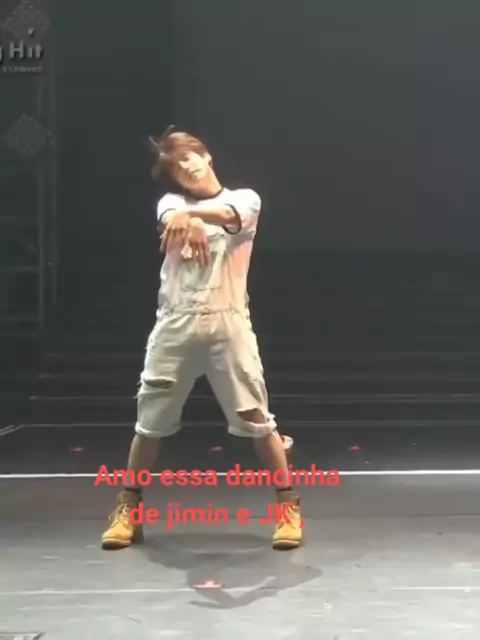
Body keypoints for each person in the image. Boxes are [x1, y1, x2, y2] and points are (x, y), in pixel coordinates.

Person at [101, 126, 302, 551]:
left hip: (228, 325)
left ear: (206, 155)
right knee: (149, 423)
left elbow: (229, 215)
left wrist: (194, 218)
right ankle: (128, 508)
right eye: (177, 167)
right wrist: (185, 216)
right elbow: (169, 217)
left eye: (189, 158)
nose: (186, 168)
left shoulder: (246, 198)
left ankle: (287, 506)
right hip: (175, 324)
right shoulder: (170, 203)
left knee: (257, 419)